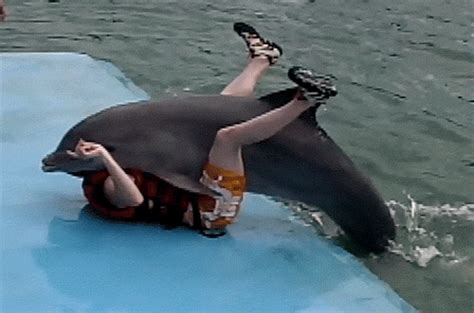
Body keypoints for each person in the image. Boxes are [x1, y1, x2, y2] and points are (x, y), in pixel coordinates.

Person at [68, 22, 337, 237]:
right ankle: (305, 101)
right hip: (212, 211)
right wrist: (105, 157)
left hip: (204, 189)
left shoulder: (132, 163)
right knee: (226, 138)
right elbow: (134, 199)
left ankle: (262, 60)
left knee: (219, 109)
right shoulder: (104, 189)